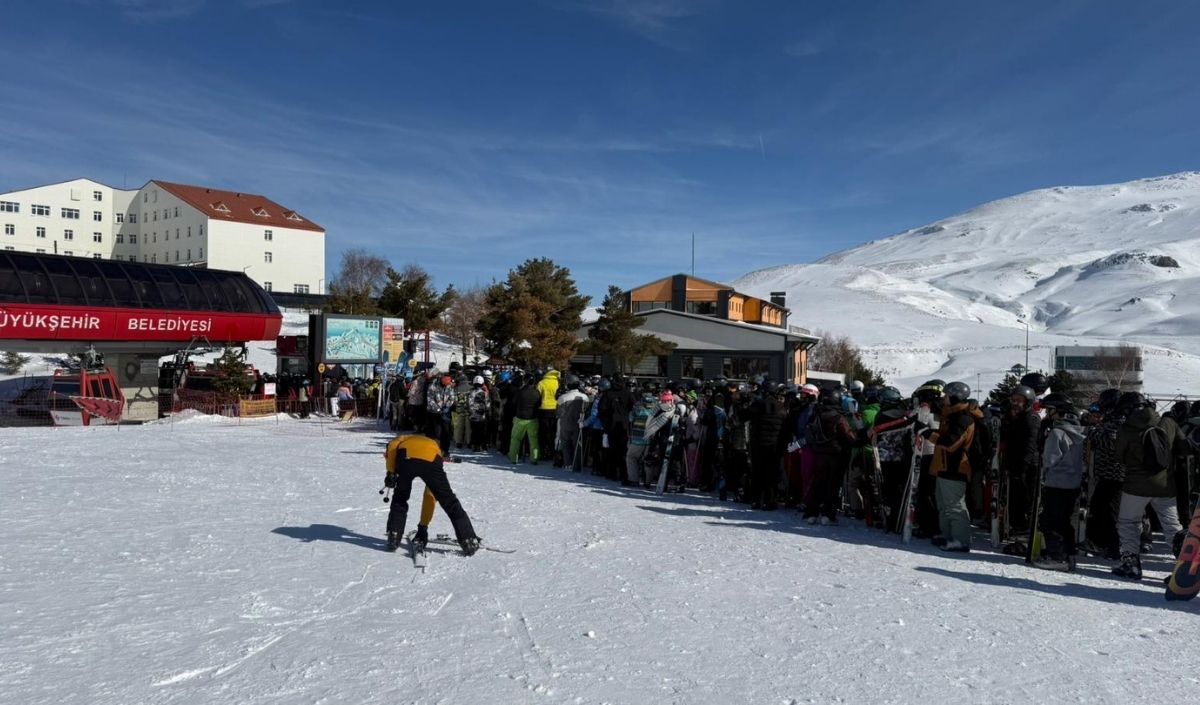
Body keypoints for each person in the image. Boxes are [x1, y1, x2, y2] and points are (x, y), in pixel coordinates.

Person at [1112, 393, 1186, 579]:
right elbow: (1184, 448)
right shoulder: (1168, 423)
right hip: (1165, 485)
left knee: (1129, 522)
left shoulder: (1126, 429)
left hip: (1135, 486)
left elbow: (1119, 457)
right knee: (1172, 526)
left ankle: (1131, 564)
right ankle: (1184, 565)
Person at [383, 430, 480, 555]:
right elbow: (430, 494)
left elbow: (391, 446)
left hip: (405, 459)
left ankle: (394, 536)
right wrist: (423, 527)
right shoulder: (435, 449)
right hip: (431, 461)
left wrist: (390, 472)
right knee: (449, 501)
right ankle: (468, 540)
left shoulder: (406, 438)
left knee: (400, 497)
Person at [925, 381, 980, 552]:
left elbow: (951, 443)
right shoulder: (951, 414)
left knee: (955, 505)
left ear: (955, 397)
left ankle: (961, 539)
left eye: (947, 395)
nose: (944, 398)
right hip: (943, 465)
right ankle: (947, 534)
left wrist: (928, 434)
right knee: (943, 504)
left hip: (956, 467)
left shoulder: (963, 418)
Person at [1034, 393, 1085, 570]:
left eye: (1050, 410)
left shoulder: (1056, 433)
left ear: (1060, 412)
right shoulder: (1080, 432)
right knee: (1065, 521)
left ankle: (1056, 556)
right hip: (1073, 484)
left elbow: (1050, 459)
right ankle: (1068, 554)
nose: (1048, 414)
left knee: (1051, 520)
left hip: (1056, 483)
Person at [804, 387, 858, 524]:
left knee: (817, 484)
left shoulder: (816, 413)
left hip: (818, 454)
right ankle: (828, 515)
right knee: (832, 486)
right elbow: (849, 437)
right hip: (836, 455)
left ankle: (811, 513)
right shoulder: (838, 417)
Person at [1085, 388, 1124, 559]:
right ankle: (1099, 542)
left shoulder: (1118, 419)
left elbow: (1112, 441)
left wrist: (1094, 434)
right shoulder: (1112, 418)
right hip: (1107, 472)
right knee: (1098, 508)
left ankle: (1112, 547)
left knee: (1110, 512)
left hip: (1115, 474)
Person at [1000, 385, 1041, 535]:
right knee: (1015, 498)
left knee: (1024, 498)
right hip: (1014, 463)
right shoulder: (1014, 417)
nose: (1015, 403)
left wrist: (1023, 465)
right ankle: (1016, 524)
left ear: (1027, 402)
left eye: (1019, 401)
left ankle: (1023, 526)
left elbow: (1031, 443)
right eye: (1014, 400)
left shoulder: (1031, 418)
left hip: (1027, 466)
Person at [748, 382, 786, 510]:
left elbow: (742, 416)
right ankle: (770, 501)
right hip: (774, 446)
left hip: (758, 444)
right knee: (772, 474)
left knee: (757, 472)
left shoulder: (757, 404)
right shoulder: (781, 407)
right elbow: (787, 428)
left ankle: (756, 500)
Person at [555, 374, 589, 470]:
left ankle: (568, 463)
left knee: (565, 444)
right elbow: (586, 410)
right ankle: (577, 464)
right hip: (579, 424)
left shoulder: (562, 397)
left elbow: (558, 413)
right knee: (578, 444)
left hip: (565, 424)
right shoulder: (585, 397)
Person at [509, 375, 542, 464]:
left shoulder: (519, 391)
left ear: (525, 381)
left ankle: (513, 458)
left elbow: (514, 403)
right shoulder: (536, 392)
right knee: (533, 440)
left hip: (520, 418)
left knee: (515, 439)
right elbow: (539, 404)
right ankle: (534, 458)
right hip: (532, 419)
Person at [625, 393, 657, 486]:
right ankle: (648, 482)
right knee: (648, 460)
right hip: (651, 439)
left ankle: (633, 479)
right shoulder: (656, 411)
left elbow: (630, 418)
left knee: (631, 457)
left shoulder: (638, 409)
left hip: (638, 439)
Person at [536, 368, 561, 461]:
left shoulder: (541, 383)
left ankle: (543, 452)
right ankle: (552, 452)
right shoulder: (558, 383)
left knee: (543, 433)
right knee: (553, 433)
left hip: (543, 410)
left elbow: (537, 396)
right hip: (555, 409)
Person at [467, 376, 490, 451]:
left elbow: (469, 404)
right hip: (482, 415)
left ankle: (475, 445)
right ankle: (481, 445)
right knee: (481, 431)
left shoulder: (470, 392)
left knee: (474, 431)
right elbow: (487, 405)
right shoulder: (484, 393)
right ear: (482, 383)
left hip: (473, 415)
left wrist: (472, 412)